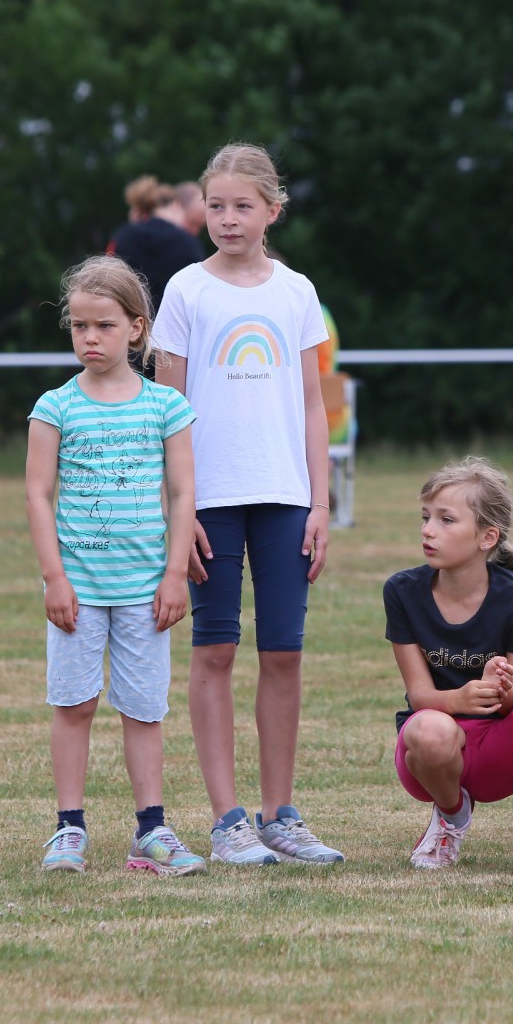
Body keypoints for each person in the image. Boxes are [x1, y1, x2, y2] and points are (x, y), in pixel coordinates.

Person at [149, 142, 342, 867]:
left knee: (283, 653)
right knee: (216, 649)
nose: (228, 219)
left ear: (272, 211)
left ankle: (280, 816)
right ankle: (228, 821)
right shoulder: (185, 291)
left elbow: (313, 406)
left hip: (286, 498)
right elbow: (166, 411)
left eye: (243, 206)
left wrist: (320, 503)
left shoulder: (296, 292)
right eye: (216, 206)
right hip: (211, 502)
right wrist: (181, 509)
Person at [26, 255, 204, 876]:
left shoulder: (166, 407)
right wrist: (55, 578)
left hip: (145, 590)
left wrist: (175, 574)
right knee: (74, 705)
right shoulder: (55, 407)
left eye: (104, 325)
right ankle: (68, 829)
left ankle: (151, 831)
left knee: (143, 709)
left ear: (136, 328)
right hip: (77, 589)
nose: (90, 338)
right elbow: (37, 495)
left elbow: (183, 494)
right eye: (79, 326)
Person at [387, 458, 513, 874]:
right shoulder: (402, 591)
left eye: (446, 520)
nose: (428, 530)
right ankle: (451, 816)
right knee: (430, 729)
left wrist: (497, 687)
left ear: (488, 537)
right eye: (426, 517)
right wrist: (461, 698)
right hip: (429, 756)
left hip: (501, 753)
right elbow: (419, 696)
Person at [107, 176, 203, 325]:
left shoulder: (122, 237)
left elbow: (107, 282)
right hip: (174, 330)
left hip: (130, 328)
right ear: (176, 206)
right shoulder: (187, 242)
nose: (195, 231)